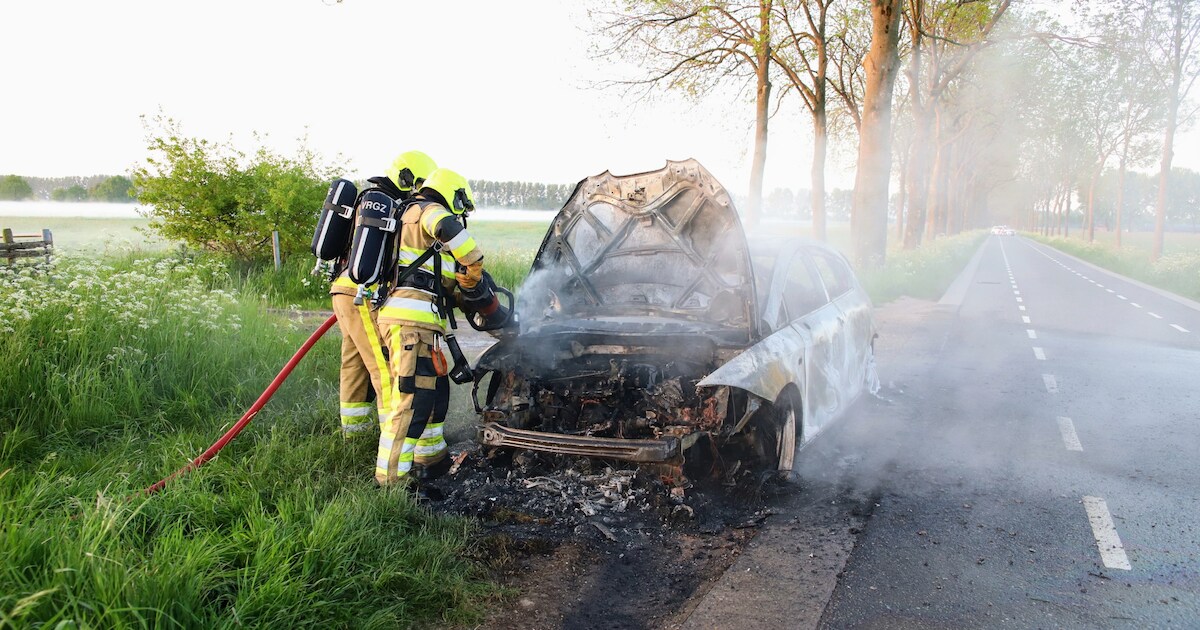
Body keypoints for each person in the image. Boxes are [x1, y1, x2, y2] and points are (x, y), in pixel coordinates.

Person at [374, 167, 490, 487]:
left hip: (418, 327)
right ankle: (391, 483)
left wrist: (472, 291)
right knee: (412, 403)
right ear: (453, 194)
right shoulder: (426, 210)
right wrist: (474, 262)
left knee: (432, 396)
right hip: (411, 326)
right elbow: (451, 230)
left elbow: (447, 287)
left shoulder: (417, 231)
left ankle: (431, 461)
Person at [328, 150, 437, 439]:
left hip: (342, 289)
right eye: (419, 185)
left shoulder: (366, 199)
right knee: (384, 366)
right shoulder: (391, 206)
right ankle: (392, 438)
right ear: (409, 179)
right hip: (362, 292)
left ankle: (354, 433)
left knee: (354, 362)